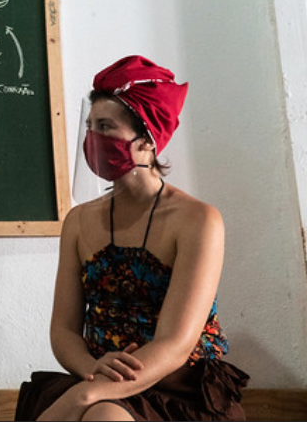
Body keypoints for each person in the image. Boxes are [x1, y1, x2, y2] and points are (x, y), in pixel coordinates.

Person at [15, 55, 249, 421]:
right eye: (90, 125)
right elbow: (63, 330)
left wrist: (85, 395)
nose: (93, 137)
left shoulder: (198, 220)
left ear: (147, 140)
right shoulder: (79, 221)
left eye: (106, 126)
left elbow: (175, 344)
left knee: (103, 417)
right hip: (97, 374)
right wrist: (92, 375)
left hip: (178, 387)